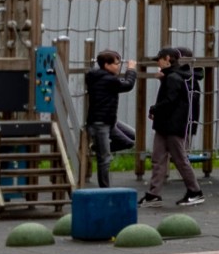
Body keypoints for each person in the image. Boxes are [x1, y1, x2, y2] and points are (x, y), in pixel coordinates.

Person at [143, 47, 205, 205]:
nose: (158, 63)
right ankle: (153, 193)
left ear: (167, 59)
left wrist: (154, 109)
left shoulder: (174, 78)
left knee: (179, 159)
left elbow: (170, 100)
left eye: (159, 59)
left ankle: (195, 191)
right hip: (166, 124)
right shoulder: (176, 76)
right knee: (158, 158)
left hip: (173, 125)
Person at [82, 50, 136, 188]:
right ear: (106, 65)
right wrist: (131, 69)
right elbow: (128, 85)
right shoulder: (108, 80)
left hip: (109, 121)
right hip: (100, 123)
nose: (118, 67)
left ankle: (97, 148)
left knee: (130, 140)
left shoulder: (97, 77)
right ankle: (105, 189)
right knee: (104, 159)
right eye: (116, 64)